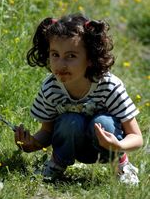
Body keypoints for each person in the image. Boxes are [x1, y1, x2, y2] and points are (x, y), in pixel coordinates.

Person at [14, 13, 143, 185]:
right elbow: (47, 131)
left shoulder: (108, 86)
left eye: (71, 56)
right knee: (69, 121)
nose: (61, 64)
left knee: (103, 122)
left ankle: (120, 166)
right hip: (72, 147)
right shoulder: (51, 88)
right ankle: (56, 164)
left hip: (108, 148)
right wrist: (32, 144)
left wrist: (118, 146)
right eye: (55, 54)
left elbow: (137, 137)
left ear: (90, 58)